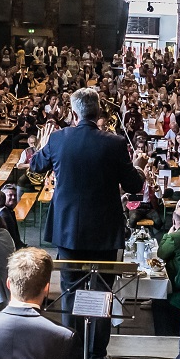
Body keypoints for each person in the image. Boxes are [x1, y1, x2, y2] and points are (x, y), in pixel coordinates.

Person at [28, 87, 143, 265]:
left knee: (70, 286)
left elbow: (35, 166)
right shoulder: (116, 143)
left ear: (74, 114)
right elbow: (134, 186)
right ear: (98, 113)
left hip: (68, 227)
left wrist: (42, 144)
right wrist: (139, 168)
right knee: (102, 287)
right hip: (104, 230)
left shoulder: (57, 139)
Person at [154, 201, 180, 336]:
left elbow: (161, 253)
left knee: (157, 302)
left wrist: (167, 234)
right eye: (178, 206)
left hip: (178, 280)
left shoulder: (175, 237)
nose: (179, 207)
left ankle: (162, 336)